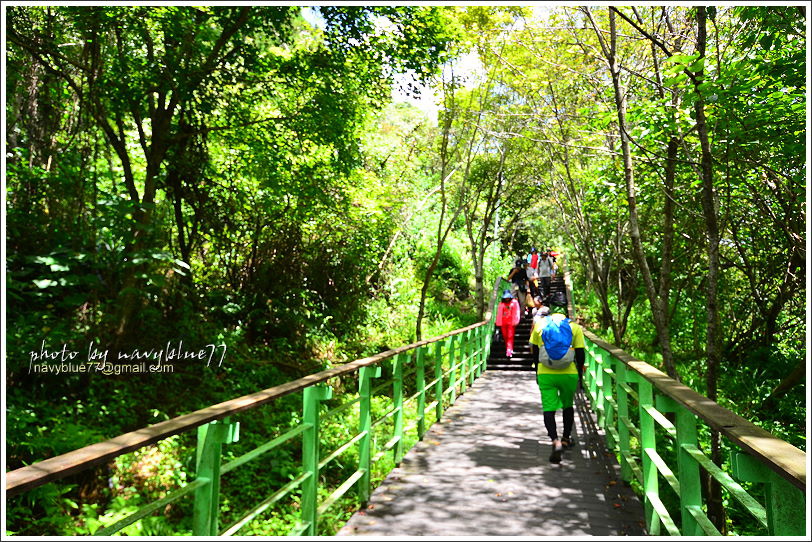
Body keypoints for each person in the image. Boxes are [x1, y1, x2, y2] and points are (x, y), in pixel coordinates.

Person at [530, 307, 585, 463]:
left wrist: (536, 370)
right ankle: (566, 438)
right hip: (568, 373)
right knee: (568, 405)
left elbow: (534, 350)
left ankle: (555, 441)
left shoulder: (540, 324)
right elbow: (580, 353)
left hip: (545, 372)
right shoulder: (574, 327)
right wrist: (580, 375)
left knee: (549, 408)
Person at [495, 289, 521, 358]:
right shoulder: (501, 304)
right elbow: (499, 314)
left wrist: (516, 320)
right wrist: (498, 322)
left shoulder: (514, 302)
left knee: (510, 336)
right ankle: (508, 348)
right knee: (505, 336)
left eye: (508, 297)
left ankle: (509, 350)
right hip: (503, 322)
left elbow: (517, 311)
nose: (507, 298)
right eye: (505, 297)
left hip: (511, 322)